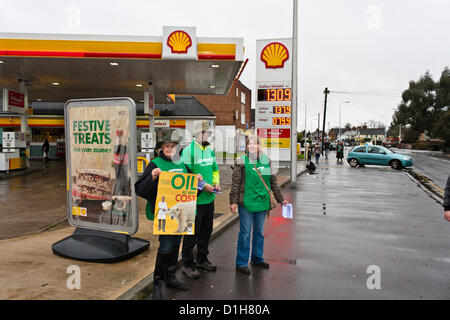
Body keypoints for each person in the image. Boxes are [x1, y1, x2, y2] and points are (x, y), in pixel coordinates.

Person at [137, 134, 203, 300]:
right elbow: (141, 190)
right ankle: (157, 284)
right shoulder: (155, 164)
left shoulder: (182, 164)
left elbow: (192, 192)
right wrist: (152, 178)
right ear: (161, 148)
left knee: (175, 246)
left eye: (172, 146)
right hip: (165, 215)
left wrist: (199, 182)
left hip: (181, 213)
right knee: (165, 248)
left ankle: (171, 277)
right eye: (166, 146)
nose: (169, 149)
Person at [229, 133, 288, 275]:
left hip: (262, 202)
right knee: (245, 233)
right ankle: (242, 262)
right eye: (250, 144)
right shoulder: (241, 161)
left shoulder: (266, 160)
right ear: (246, 146)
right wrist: (233, 202)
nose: (252, 146)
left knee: (259, 233)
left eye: (255, 143)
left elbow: (272, 181)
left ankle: (257, 257)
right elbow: (235, 183)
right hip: (246, 202)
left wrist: (281, 199)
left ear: (259, 145)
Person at [181, 121, 220, 279]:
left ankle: (202, 259)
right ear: (196, 134)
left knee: (206, 232)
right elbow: (185, 174)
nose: (206, 135)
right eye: (204, 133)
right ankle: (187, 264)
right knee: (191, 234)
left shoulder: (209, 150)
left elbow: (215, 169)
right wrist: (202, 185)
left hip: (209, 199)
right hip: (194, 200)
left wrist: (216, 182)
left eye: (208, 133)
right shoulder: (188, 151)